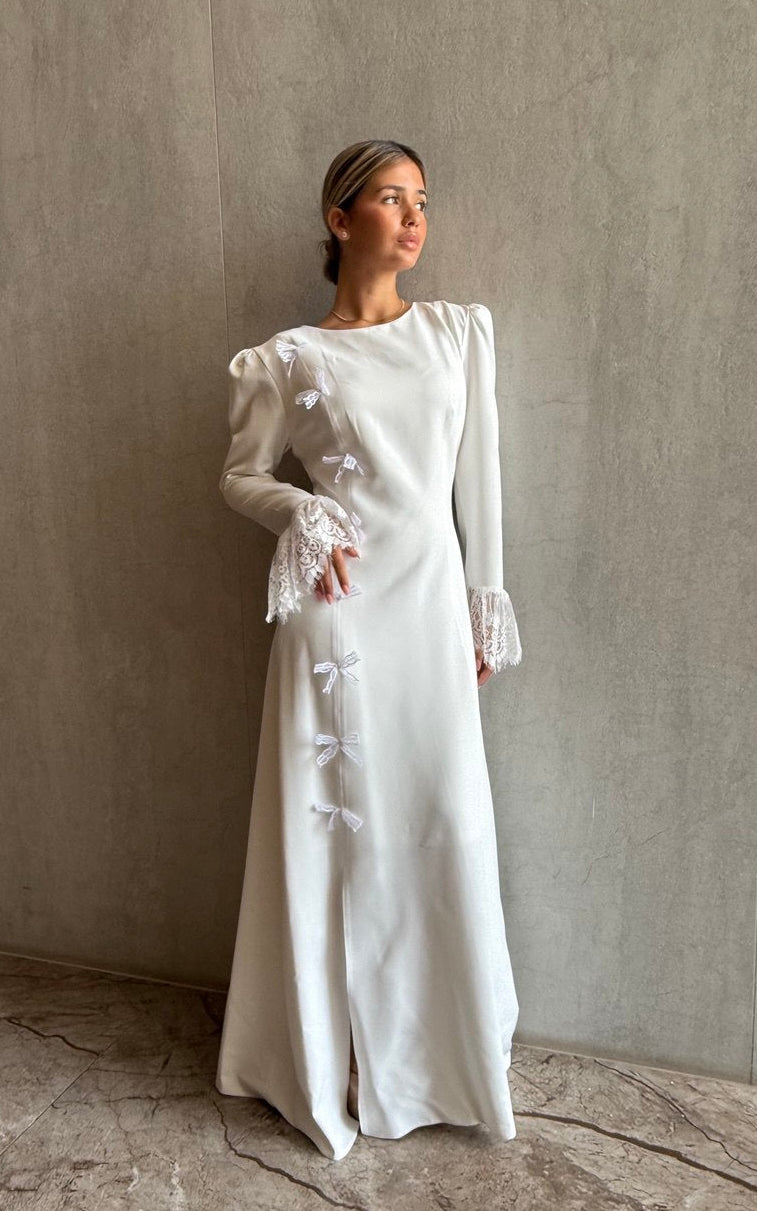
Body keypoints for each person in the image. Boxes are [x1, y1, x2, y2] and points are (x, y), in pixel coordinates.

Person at [214, 139, 523, 1161]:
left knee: (440, 814)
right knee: (340, 836)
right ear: (341, 219)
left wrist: (483, 602)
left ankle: (433, 1056)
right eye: (392, 198)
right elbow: (240, 475)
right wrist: (299, 508)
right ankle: (332, 1052)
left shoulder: (457, 333)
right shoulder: (285, 359)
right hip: (335, 617)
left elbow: (476, 484)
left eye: (422, 198)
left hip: (427, 609)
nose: (415, 215)